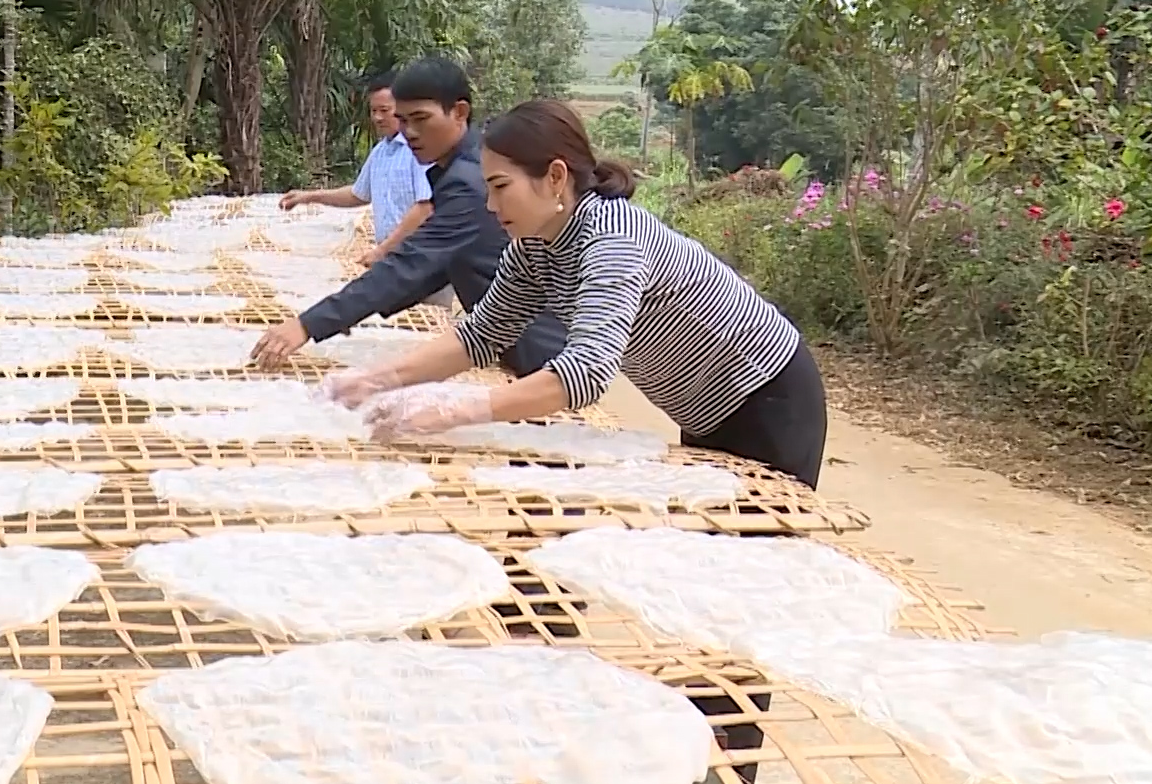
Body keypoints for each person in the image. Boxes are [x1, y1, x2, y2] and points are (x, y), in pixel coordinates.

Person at [321, 97, 828, 489]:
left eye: (501, 186)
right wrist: (375, 380)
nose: (491, 204)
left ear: (556, 177)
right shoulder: (535, 243)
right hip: (699, 406)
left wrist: (457, 410)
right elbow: (482, 334)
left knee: (761, 551)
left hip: (767, 396)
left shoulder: (612, 238)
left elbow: (585, 374)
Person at [250, 57, 563, 371]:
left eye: (421, 118)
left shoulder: (470, 180)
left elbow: (410, 266)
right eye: (403, 119)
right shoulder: (459, 168)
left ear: (459, 112)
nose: (409, 131)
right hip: (519, 337)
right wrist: (350, 313)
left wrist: (308, 324)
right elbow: (426, 271)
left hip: (540, 347)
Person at [277, 73, 440, 287]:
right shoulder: (381, 151)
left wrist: (382, 250)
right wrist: (309, 196)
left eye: (385, 110)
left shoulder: (420, 149)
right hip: (394, 261)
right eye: (374, 111)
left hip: (423, 259)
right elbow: (358, 194)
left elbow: (424, 208)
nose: (378, 118)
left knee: (428, 317)